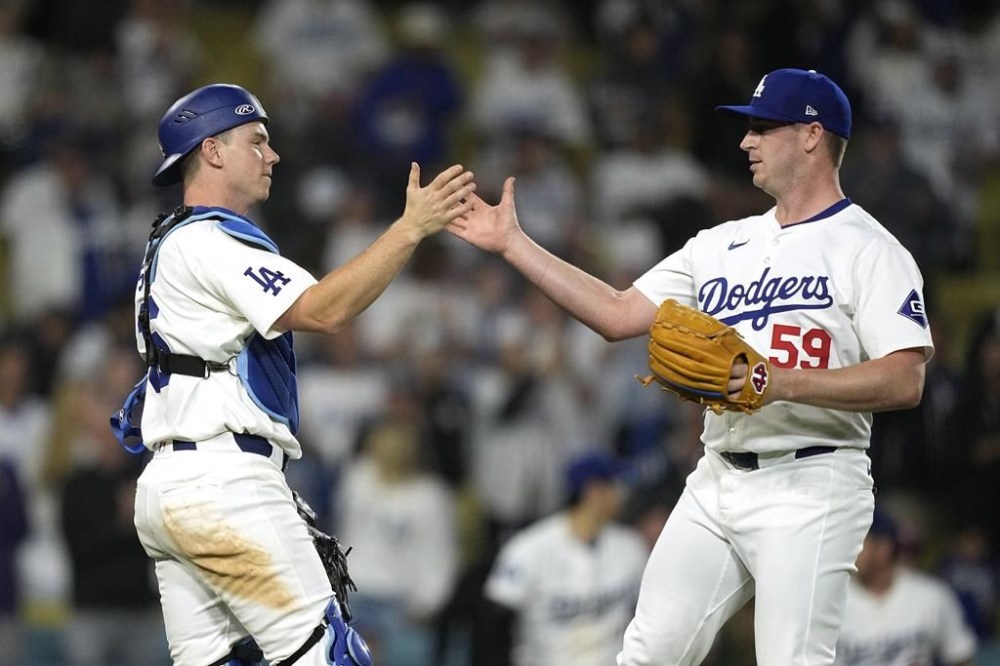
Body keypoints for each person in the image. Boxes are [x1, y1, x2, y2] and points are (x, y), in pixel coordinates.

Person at [449, 68, 934, 665]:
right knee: (647, 654)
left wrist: (778, 381)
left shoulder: (870, 249)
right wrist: (513, 245)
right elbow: (618, 313)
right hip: (716, 477)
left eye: (761, 128)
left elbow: (905, 377)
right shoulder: (719, 244)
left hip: (811, 481)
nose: (744, 142)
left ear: (812, 135)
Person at [112, 83, 474, 666]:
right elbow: (325, 311)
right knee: (330, 657)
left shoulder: (171, 243)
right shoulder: (208, 238)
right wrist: (409, 229)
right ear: (211, 151)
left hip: (174, 484)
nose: (272, 155)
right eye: (256, 141)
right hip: (221, 483)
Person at [478, 451, 648, 666]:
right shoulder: (528, 548)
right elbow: (493, 624)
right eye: (614, 486)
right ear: (593, 492)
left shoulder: (630, 547)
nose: (621, 494)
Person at [835, 508, 977, 665]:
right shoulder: (829, 603)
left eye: (858, 541)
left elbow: (961, 658)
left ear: (883, 548)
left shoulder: (932, 595)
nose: (848, 550)